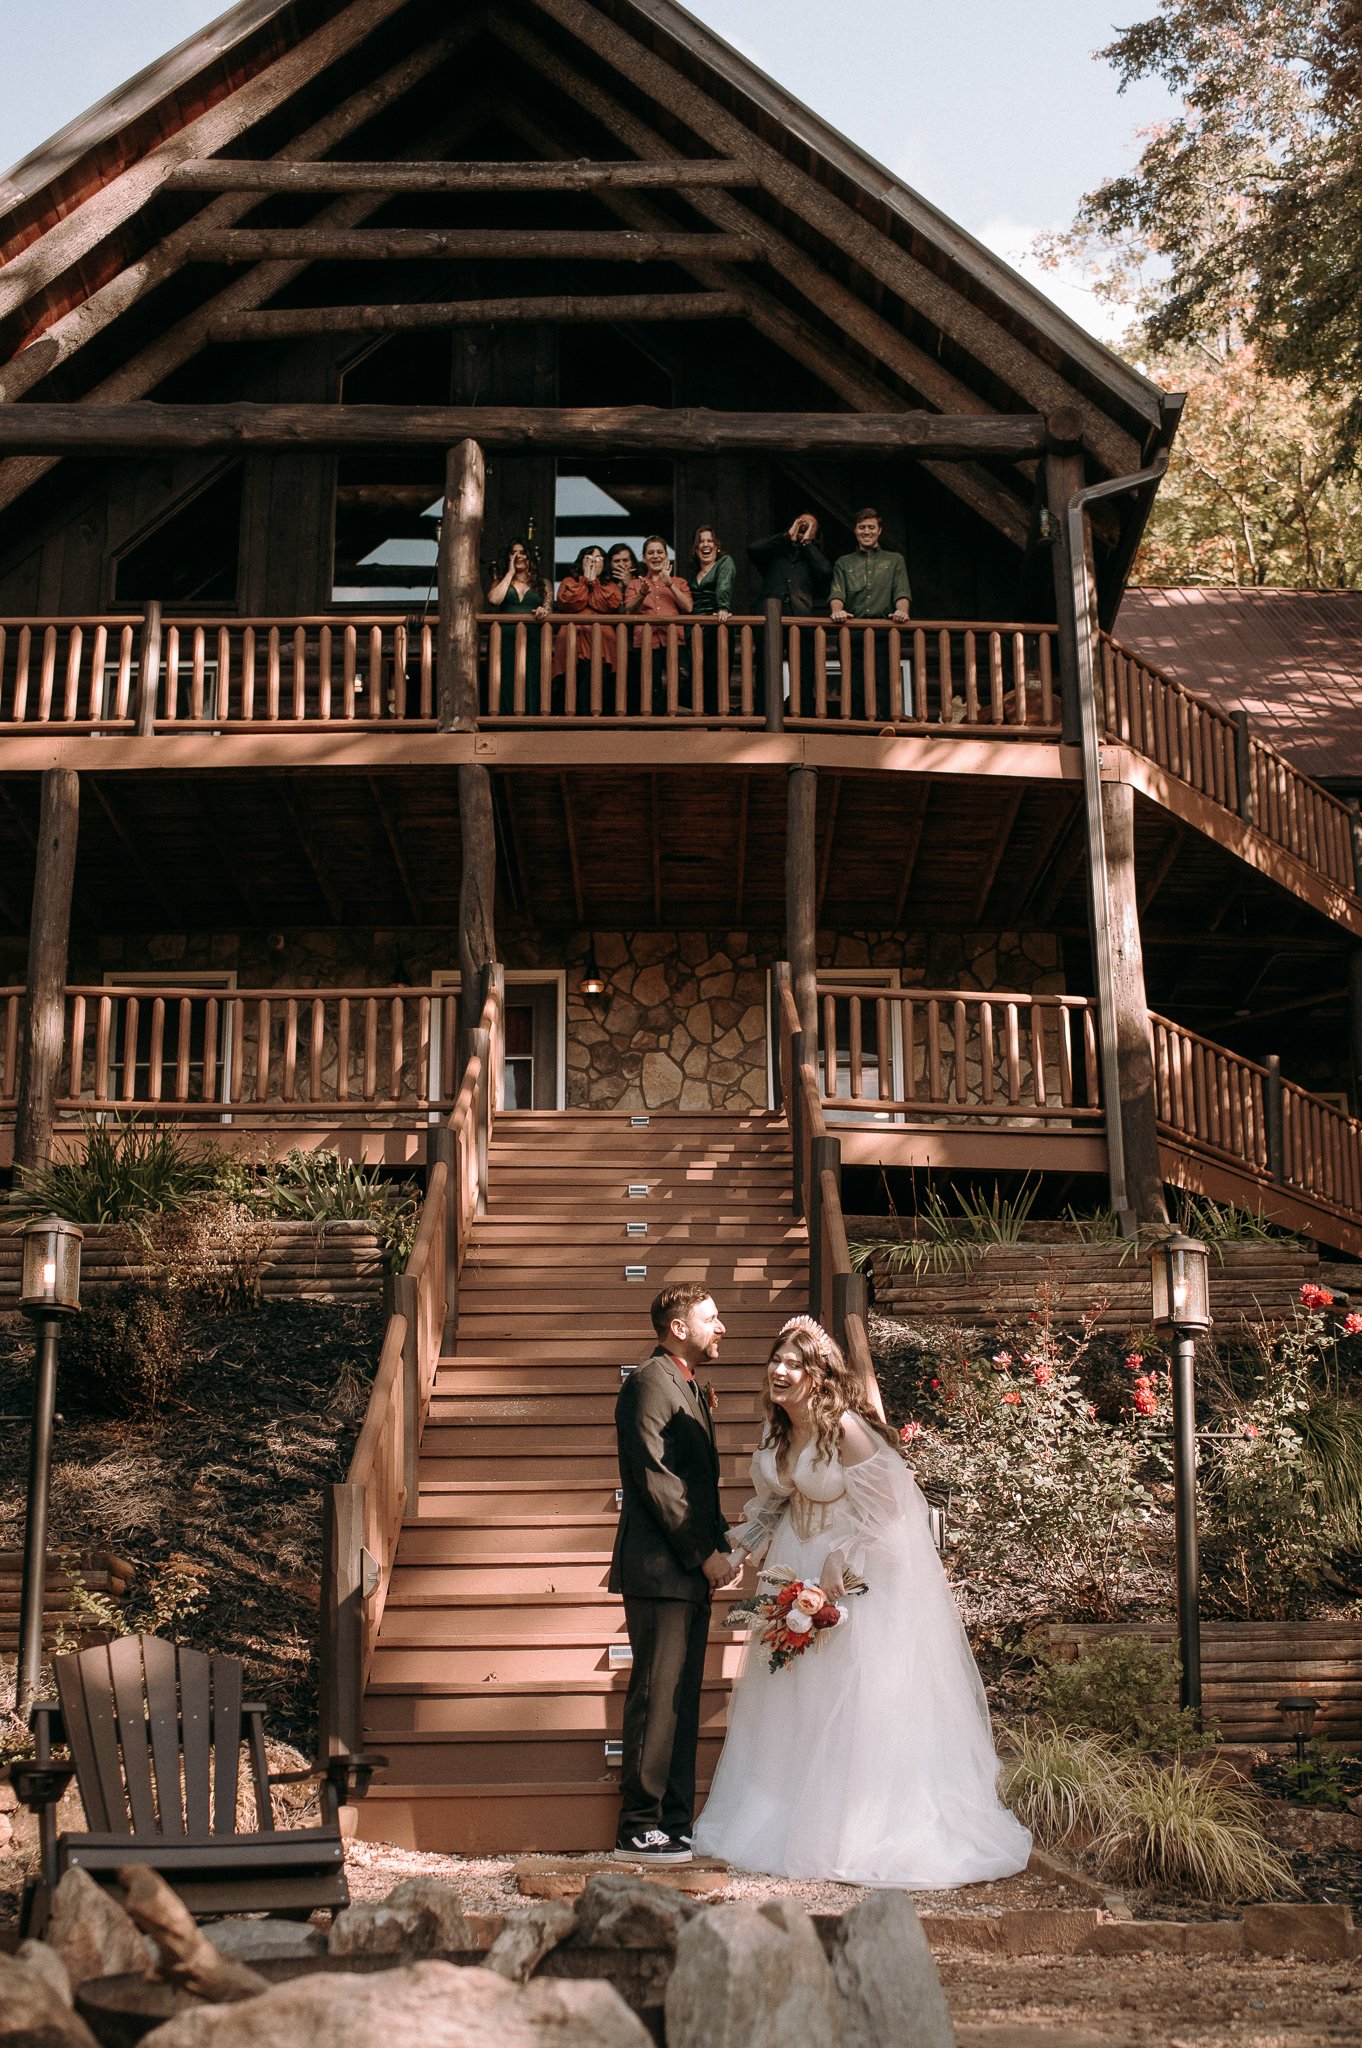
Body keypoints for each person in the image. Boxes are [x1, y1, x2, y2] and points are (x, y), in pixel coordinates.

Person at [694, 1316, 1032, 1886]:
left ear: (818, 1376)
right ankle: (782, 1820)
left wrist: (838, 1561)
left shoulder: (845, 1430)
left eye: (793, 1364)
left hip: (848, 1577)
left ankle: (850, 1830)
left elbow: (892, 1514)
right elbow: (775, 1504)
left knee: (842, 1697)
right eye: (775, 1360)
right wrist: (739, 1552)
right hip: (788, 1567)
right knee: (791, 1696)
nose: (779, 1370)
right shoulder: (779, 1432)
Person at [611, 1284, 736, 1865]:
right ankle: (638, 1825)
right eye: (711, 1318)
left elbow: (699, 1483)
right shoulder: (648, 1383)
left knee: (682, 1699)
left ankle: (676, 1822)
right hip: (660, 1570)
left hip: (685, 1572)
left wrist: (723, 1544)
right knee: (657, 1698)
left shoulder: (684, 1382)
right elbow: (657, 1480)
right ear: (679, 1326)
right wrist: (703, 1553)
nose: (723, 1327)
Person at [829, 508, 911, 721]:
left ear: (879, 531)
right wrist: (837, 612)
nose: (866, 531)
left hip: (883, 629)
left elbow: (902, 592)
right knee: (854, 681)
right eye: (862, 527)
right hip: (853, 630)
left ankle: (884, 725)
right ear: (855, 531)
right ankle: (857, 725)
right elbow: (837, 593)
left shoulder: (894, 560)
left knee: (883, 680)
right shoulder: (844, 562)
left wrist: (902, 611)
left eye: (871, 527)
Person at [552, 544, 622, 709]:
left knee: (595, 687)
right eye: (589, 558)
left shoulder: (610, 585)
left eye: (598, 559)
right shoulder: (569, 582)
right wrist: (585, 582)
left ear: (604, 564)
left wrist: (594, 584)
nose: (593, 562)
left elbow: (607, 604)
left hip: (601, 644)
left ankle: (593, 726)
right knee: (569, 685)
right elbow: (569, 602)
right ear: (581, 562)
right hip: (572, 641)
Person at [486, 537, 549, 715]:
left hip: (532, 638)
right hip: (505, 639)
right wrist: (509, 573)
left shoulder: (542, 584)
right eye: (513, 553)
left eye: (522, 552)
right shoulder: (501, 581)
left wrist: (543, 611)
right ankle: (505, 720)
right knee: (505, 678)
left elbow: (549, 607)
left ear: (529, 557)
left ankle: (530, 721)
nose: (518, 556)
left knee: (531, 676)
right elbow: (494, 599)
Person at [747, 513, 831, 615]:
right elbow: (753, 548)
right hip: (768, 609)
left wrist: (807, 543)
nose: (804, 526)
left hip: (798, 611)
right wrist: (786, 536)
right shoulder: (776, 551)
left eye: (810, 525)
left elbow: (825, 570)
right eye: (801, 522)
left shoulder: (814, 556)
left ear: (814, 533)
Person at [689, 525, 735, 620]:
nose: (705, 544)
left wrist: (723, 608)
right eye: (701, 541)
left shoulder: (724, 562)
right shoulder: (694, 573)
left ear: (717, 546)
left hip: (716, 622)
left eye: (710, 541)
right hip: (694, 626)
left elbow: (724, 585)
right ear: (696, 549)